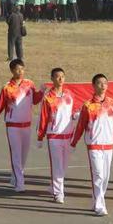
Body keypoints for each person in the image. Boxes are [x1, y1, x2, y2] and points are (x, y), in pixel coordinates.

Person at [71, 74, 113, 216]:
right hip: (94, 145)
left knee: (105, 177)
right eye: (99, 83)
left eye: (105, 83)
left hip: (108, 145)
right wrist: (74, 142)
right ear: (94, 86)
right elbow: (81, 125)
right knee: (98, 175)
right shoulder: (88, 105)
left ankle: (96, 200)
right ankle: (100, 205)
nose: (103, 85)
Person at [0, 59, 43, 192]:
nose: (21, 72)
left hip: (26, 125)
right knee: (16, 154)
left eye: (22, 69)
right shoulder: (7, 87)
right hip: (13, 125)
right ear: (12, 71)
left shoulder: (29, 84)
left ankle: (15, 176)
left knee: (24, 154)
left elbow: (35, 100)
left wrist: (41, 91)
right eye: (18, 69)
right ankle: (20, 183)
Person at [37, 68, 75, 203]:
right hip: (54, 136)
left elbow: (72, 110)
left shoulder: (69, 94)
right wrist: (40, 137)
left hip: (68, 135)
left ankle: (53, 186)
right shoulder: (48, 97)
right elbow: (43, 118)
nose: (60, 79)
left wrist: (76, 115)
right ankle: (59, 193)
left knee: (63, 166)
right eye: (57, 77)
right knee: (57, 165)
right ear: (52, 79)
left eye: (62, 77)